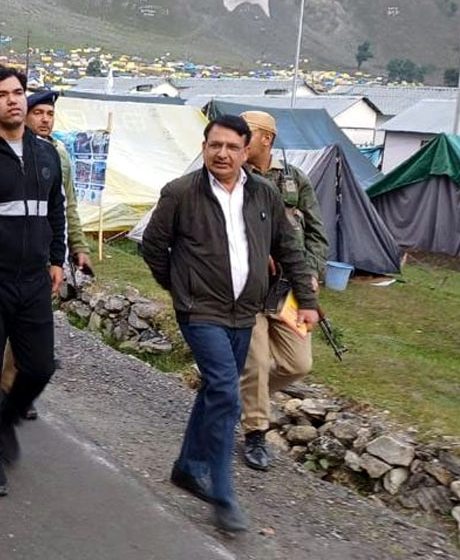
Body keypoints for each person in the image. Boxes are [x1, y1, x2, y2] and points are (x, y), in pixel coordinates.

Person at [140, 114, 319, 533]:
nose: (222, 153)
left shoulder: (264, 194)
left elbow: (289, 249)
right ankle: (222, 493)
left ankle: (187, 466)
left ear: (246, 151)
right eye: (214, 145)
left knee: (214, 390)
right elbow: (153, 246)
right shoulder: (181, 193)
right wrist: (180, 287)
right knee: (225, 391)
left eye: (232, 147)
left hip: (247, 311)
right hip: (201, 312)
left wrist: (307, 301)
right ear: (204, 147)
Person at [0, 64, 66, 498]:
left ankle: (6, 418)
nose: (14, 100)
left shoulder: (46, 154)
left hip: (34, 280)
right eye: (2, 94)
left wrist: (57, 258)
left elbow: (55, 208)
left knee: (40, 365)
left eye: (18, 92)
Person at [236, 110, 328, 471]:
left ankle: (240, 395)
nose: (238, 140)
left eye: (248, 134)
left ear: (266, 139)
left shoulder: (295, 181)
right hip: (248, 289)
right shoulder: (233, 180)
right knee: (256, 361)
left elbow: (318, 234)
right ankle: (256, 432)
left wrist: (313, 273)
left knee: (297, 363)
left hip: (289, 290)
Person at [0, 89, 93, 420]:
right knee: (4, 327)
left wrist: (77, 246)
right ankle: (2, 387)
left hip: (44, 255)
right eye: (38, 113)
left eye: (49, 114)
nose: (44, 120)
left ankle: (14, 388)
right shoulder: (7, 150)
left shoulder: (59, 155)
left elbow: (68, 206)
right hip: (6, 257)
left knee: (29, 329)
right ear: (24, 115)